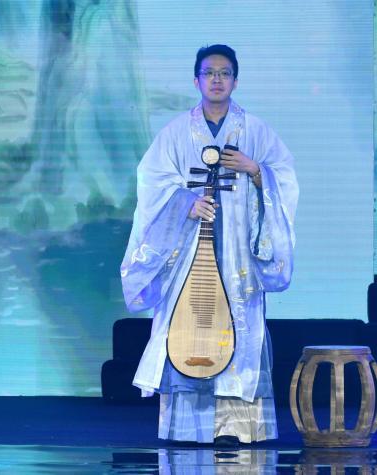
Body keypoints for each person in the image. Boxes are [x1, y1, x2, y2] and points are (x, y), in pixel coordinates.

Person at [120, 44, 298, 446]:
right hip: (188, 251)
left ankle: (238, 428)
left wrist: (255, 170)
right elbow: (151, 183)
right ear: (196, 80)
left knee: (241, 329)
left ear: (235, 80)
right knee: (187, 326)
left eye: (224, 73)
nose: (217, 80)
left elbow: (284, 179)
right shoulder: (176, 133)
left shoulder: (255, 130)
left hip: (237, 250)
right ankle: (190, 429)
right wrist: (185, 202)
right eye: (209, 73)